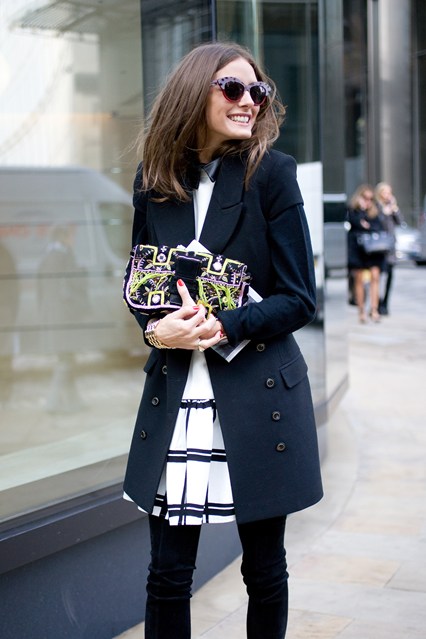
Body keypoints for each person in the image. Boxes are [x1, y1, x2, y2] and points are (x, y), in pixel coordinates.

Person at [122, 42, 323, 639]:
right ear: (193, 93)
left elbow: (299, 298)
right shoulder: (154, 180)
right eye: (232, 88)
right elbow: (141, 284)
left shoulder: (272, 174)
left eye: (257, 91)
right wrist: (156, 329)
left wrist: (224, 324)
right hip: (178, 394)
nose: (248, 102)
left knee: (264, 571)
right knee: (166, 575)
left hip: (258, 392)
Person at [347, 184, 386, 323]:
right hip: (358, 250)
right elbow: (355, 224)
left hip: (373, 250)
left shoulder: (376, 211)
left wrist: (366, 225)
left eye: (370, 198)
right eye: (365, 198)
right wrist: (362, 211)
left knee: (375, 277)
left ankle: (374, 310)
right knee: (359, 280)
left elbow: (379, 227)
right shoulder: (353, 210)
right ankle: (361, 311)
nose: (368, 201)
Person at [374, 182, 402, 315]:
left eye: (389, 193)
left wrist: (394, 208)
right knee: (379, 277)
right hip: (379, 247)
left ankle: (385, 303)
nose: (388, 195)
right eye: (385, 192)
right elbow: (376, 222)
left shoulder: (392, 207)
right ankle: (378, 303)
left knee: (390, 275)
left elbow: (400, 222)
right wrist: (384, 213)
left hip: (390, 247)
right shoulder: (376, 207)